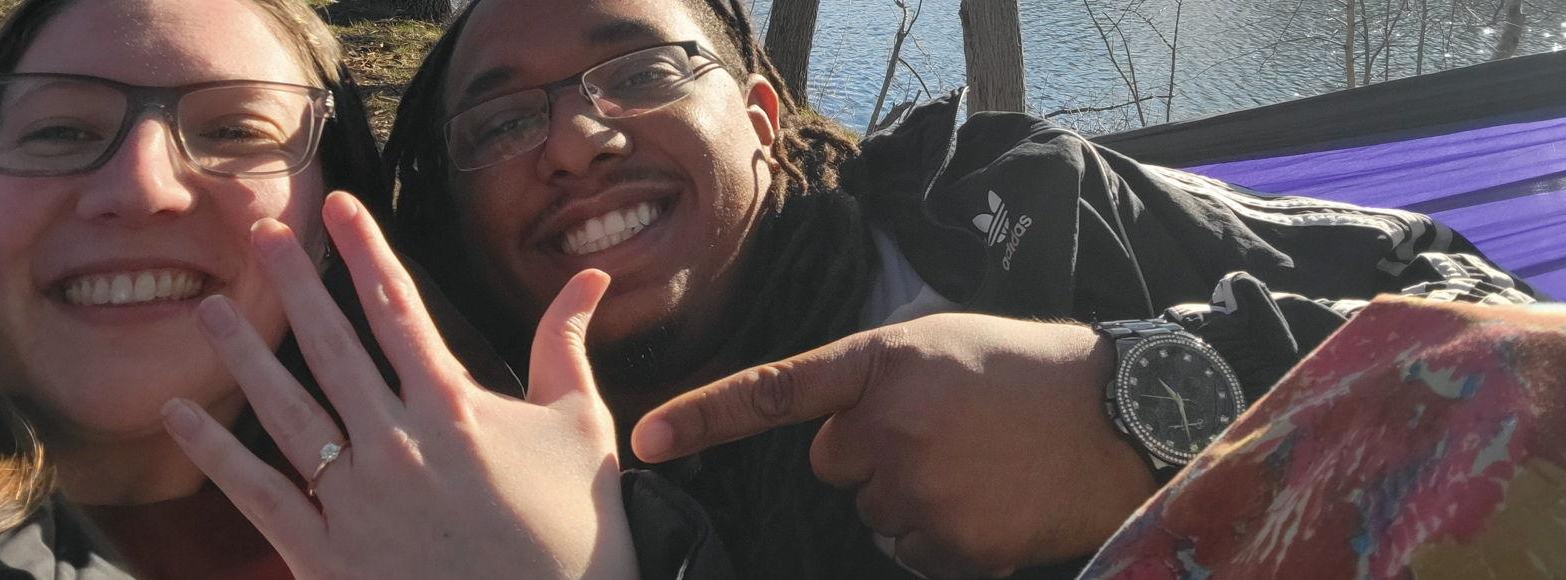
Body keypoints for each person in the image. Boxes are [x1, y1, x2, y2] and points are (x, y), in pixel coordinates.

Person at [382, 0, 1544, 578]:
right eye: (501, 119)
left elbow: (1506, 333)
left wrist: (1138, 405)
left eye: (639, 70)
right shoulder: (413, 477)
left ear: (762, 118)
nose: (578, 139)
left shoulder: (1018, 222)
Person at [0, 0, 643, 578]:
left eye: (235, 131)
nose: (142, 187)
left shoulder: (511, 514)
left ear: (331, 220)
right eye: (59, 131)